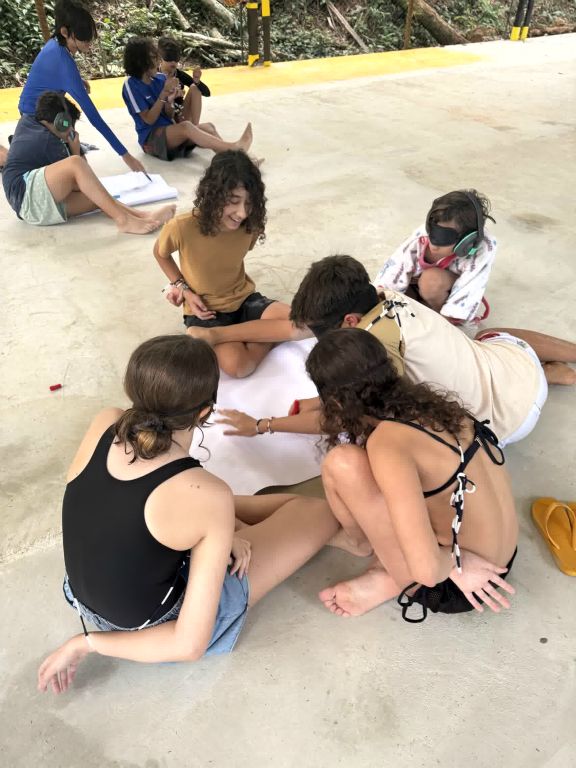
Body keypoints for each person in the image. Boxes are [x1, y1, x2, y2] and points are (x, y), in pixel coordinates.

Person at [37, 335, 349, 695]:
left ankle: (215, 532)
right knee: (316, 512)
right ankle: (230, 532)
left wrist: (221, 531)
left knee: (213, 508)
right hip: (149, 629)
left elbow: (113, 509)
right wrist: (86, 643)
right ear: (204, 412)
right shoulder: (205, 494)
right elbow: (188, 645)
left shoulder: (106, 421)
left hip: (84, 596)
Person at [216, 255, 576, 442]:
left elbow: (345, 419)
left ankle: (550, 376)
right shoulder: (378, 293)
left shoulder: (372, 347)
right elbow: (292, 328)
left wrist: (263, 425)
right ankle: (554, 368)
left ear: (350, 322)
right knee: (492, 336)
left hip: (502, 427)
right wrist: (216, 336)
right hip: (516, 371)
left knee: (378, 437)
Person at [305, 327, 518, 622]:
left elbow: (427, 572)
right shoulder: (436, 409)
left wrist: (459, 559)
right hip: (503, 557)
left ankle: (371, 557)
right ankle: (389, 570)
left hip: (459, 584)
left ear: (336, 404)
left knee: (341, 463)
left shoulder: (387, 443)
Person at [154, 151, 306, 378]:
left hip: (244, 299)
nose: (242, 213)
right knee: (238, 367)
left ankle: (227, 335)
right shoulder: (181, 226)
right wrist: (182, 288)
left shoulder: (251, 225)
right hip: (206, 311)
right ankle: (263, 333)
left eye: (249, 203)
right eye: (234, 201)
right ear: (213, 194)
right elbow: (160, 253)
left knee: (304, 322)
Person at [2, 92, 174, 233]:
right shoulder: (47, 140)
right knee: (75, 163)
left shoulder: (31, 122)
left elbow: (87, 184)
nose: (71, 129)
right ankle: (123, 221)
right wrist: (75, 149)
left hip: (29, 206)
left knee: (97, 197)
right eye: (69, 124)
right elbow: (78, 180)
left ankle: (143, 215)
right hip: (27, 195)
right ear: (61, 122)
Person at [18, 0, 145, 173]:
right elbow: (93, 116)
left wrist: (78, 80)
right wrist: (125, 155)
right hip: (35, 120)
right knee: (79, 169)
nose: (88, 43)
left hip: (39, 110)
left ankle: (61, 144)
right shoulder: (63, 61)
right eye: (83, 38)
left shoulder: (55, 44)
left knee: (78, 156)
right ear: (65, 32)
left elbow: (55, 74)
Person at [373, 189, 497, 324]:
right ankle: (424, 308)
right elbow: (392, 275)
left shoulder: (483, 247)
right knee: (392, 305)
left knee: (431, 281)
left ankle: (440, 318)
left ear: (466, 242)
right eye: (432, 233)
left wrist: (449, 322)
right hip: (415, 285)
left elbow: (470, 287)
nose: (434, 245)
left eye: (445, 238)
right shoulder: (420, 237)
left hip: (443, 289)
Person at [122, 37, 252, 162]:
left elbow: (168, 114)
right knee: (187, 127)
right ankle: (234, 149)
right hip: (151, 140)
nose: (157, 61)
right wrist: (163, 94)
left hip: (170, 131)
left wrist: (170, 100)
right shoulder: (131, 85)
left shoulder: (160, 79)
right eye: (153, 57)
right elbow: (149, 120)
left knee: (209, 127)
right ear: (140, 62)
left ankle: (237, 161)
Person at [157, 35, 211, 124]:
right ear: (160, 58)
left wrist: (197, 82)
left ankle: (195, 127)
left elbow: (207, 93)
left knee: (194, 87)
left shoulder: (179, 75)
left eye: (176, 59)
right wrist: (170, 95)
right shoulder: (154, 75)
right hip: (162, 117)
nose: (173, 62)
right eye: (169, 58)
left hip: (180, 116)